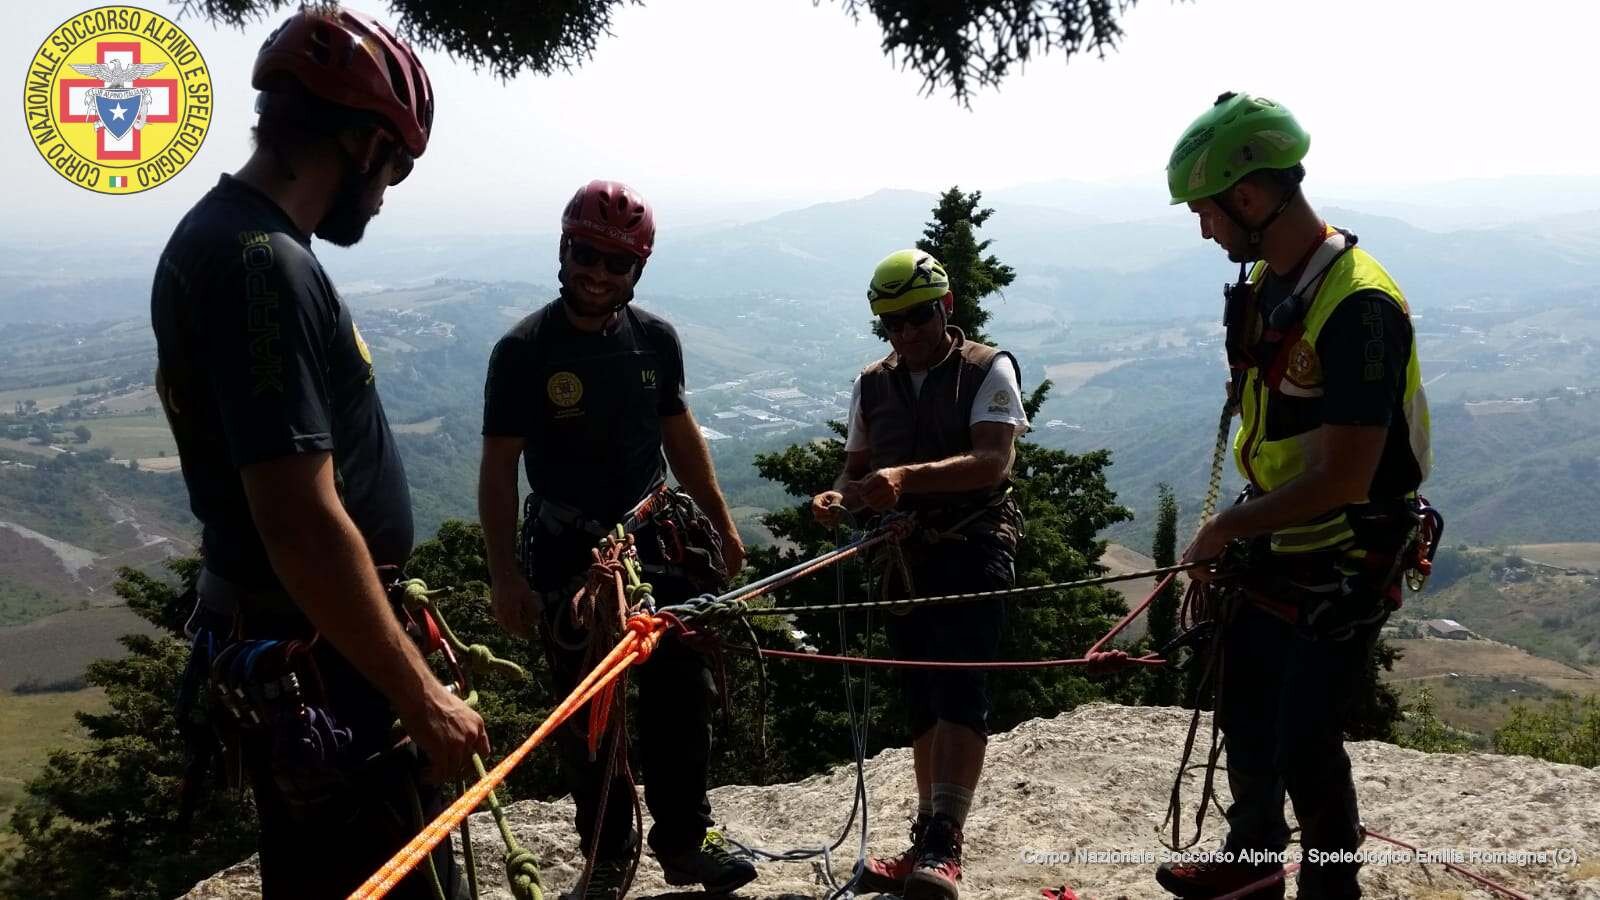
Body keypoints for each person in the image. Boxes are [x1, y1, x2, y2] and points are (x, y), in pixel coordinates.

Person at [151, 8, 488, 899]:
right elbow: (299, 518)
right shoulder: (264, 264)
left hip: (295, 645)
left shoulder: (216, 238)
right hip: (326, 665)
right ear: (363, 141)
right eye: (397, 165)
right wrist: (424, 698)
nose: (388, 191)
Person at [1155, 92, 1432, 900]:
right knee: (1247, 709)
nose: (1204, 230)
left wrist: (1225, 527)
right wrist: (1240, 530)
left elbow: (1348, 473)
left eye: (1206, 211)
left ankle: (1331, 889)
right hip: (1282, 538)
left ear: (1248, 199)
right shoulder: (1280, 286)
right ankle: (1251, 868)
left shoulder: (1359, 306)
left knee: (1308, 735)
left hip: (1351, 549)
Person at [477, 180, 755, 900]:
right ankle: (605, 854)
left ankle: (687, 842)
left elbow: (679, 436)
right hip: (570, 551)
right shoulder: (524, 351)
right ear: (563, 251)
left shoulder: (654, 341)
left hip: (656, 538)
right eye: (586, 255)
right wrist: (505, 574)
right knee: (587, 712)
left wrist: (721, 524)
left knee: (679, 694)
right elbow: (500, 468)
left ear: (639, 269)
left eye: (617, 263)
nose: (599, 273)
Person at [811, 249, 1028, 900]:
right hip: (905, 559)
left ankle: (944, 844)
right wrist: (837, 499)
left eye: (917, 317)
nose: (905, 333)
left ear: (946, 308)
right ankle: (926, 835)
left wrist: (904, 480)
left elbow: (993, 462)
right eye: (892, 323)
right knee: (921, 697)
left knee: (960, 690)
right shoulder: (872, 384)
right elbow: (855, 471)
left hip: (973, 543)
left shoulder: (989, 370)